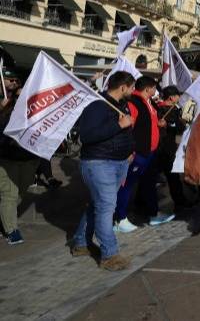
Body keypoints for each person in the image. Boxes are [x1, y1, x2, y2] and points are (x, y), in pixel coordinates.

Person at [71, 71, 135, 271]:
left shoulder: (119, 104)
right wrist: (119, 125)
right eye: (132, 87)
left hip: (117, 163)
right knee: (106, 207)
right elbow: (88, 135)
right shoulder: (97, 105)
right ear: (123, 87)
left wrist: (128, 151)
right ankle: (109, 255)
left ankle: (80, 243)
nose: (133, 90)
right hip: (99, 164)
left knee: (98, 206)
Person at [114, 76, 173, 232]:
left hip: (150, 152)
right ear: (148, 89)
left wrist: (160, 124)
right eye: (154, 88)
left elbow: (151, 122)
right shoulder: (134, 102)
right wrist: (129, 151)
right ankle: (119, 219)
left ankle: (153, 214)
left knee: (149, 184)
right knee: (126, 185)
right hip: (138, 152)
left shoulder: (150, 103)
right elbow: (128, 127)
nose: (156, 91)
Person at [0, 73, 38, 245]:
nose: (14, 83)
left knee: (20, 193)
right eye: (11, 80)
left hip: (28, 158)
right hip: (7, 157)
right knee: (10, 194)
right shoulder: (5, 107)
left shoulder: (34, 108)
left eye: (17, 80)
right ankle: (11, 230)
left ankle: (4, 220)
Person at [155, 86, 190, 210]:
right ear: (171, 97)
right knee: (172, 177)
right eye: (177, 95)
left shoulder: (168, 109)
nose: (179, 97)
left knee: (157, 176)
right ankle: (180, 201)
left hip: (163, 147)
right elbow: (178, 128)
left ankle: (143, 202)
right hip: (164, 148)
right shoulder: (163, 109)